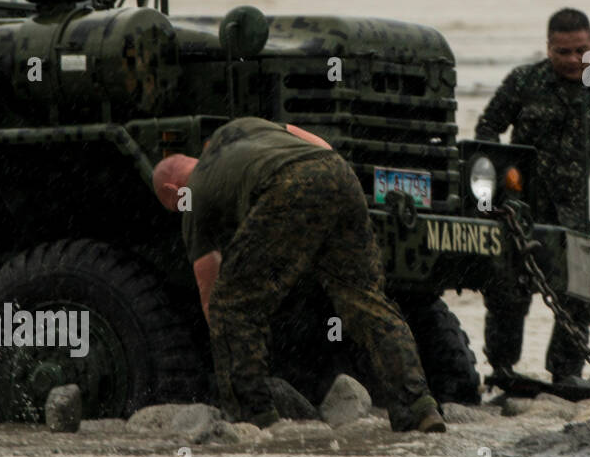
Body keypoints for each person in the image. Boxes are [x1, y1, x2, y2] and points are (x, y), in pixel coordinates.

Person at [152, 116, 445, 432]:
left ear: (173, 189)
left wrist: (226, 335)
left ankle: (254, 419)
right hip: (337, 172)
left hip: (288, 184)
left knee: (232, 306)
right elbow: (318, 143)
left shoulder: (193, 193)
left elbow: (210, 288)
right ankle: (418, 407)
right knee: (366, 301)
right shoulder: (241, 128)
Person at [475, 7, 590, 385]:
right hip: (521, 212)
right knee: (509, 297)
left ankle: (565, 377)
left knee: (579, 300)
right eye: (563, 52)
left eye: (581, 51)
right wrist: (500, 183)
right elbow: (487, 128)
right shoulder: (523, 82)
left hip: (574, 217)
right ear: (548, 48)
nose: (573, 60)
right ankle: (502, 373)